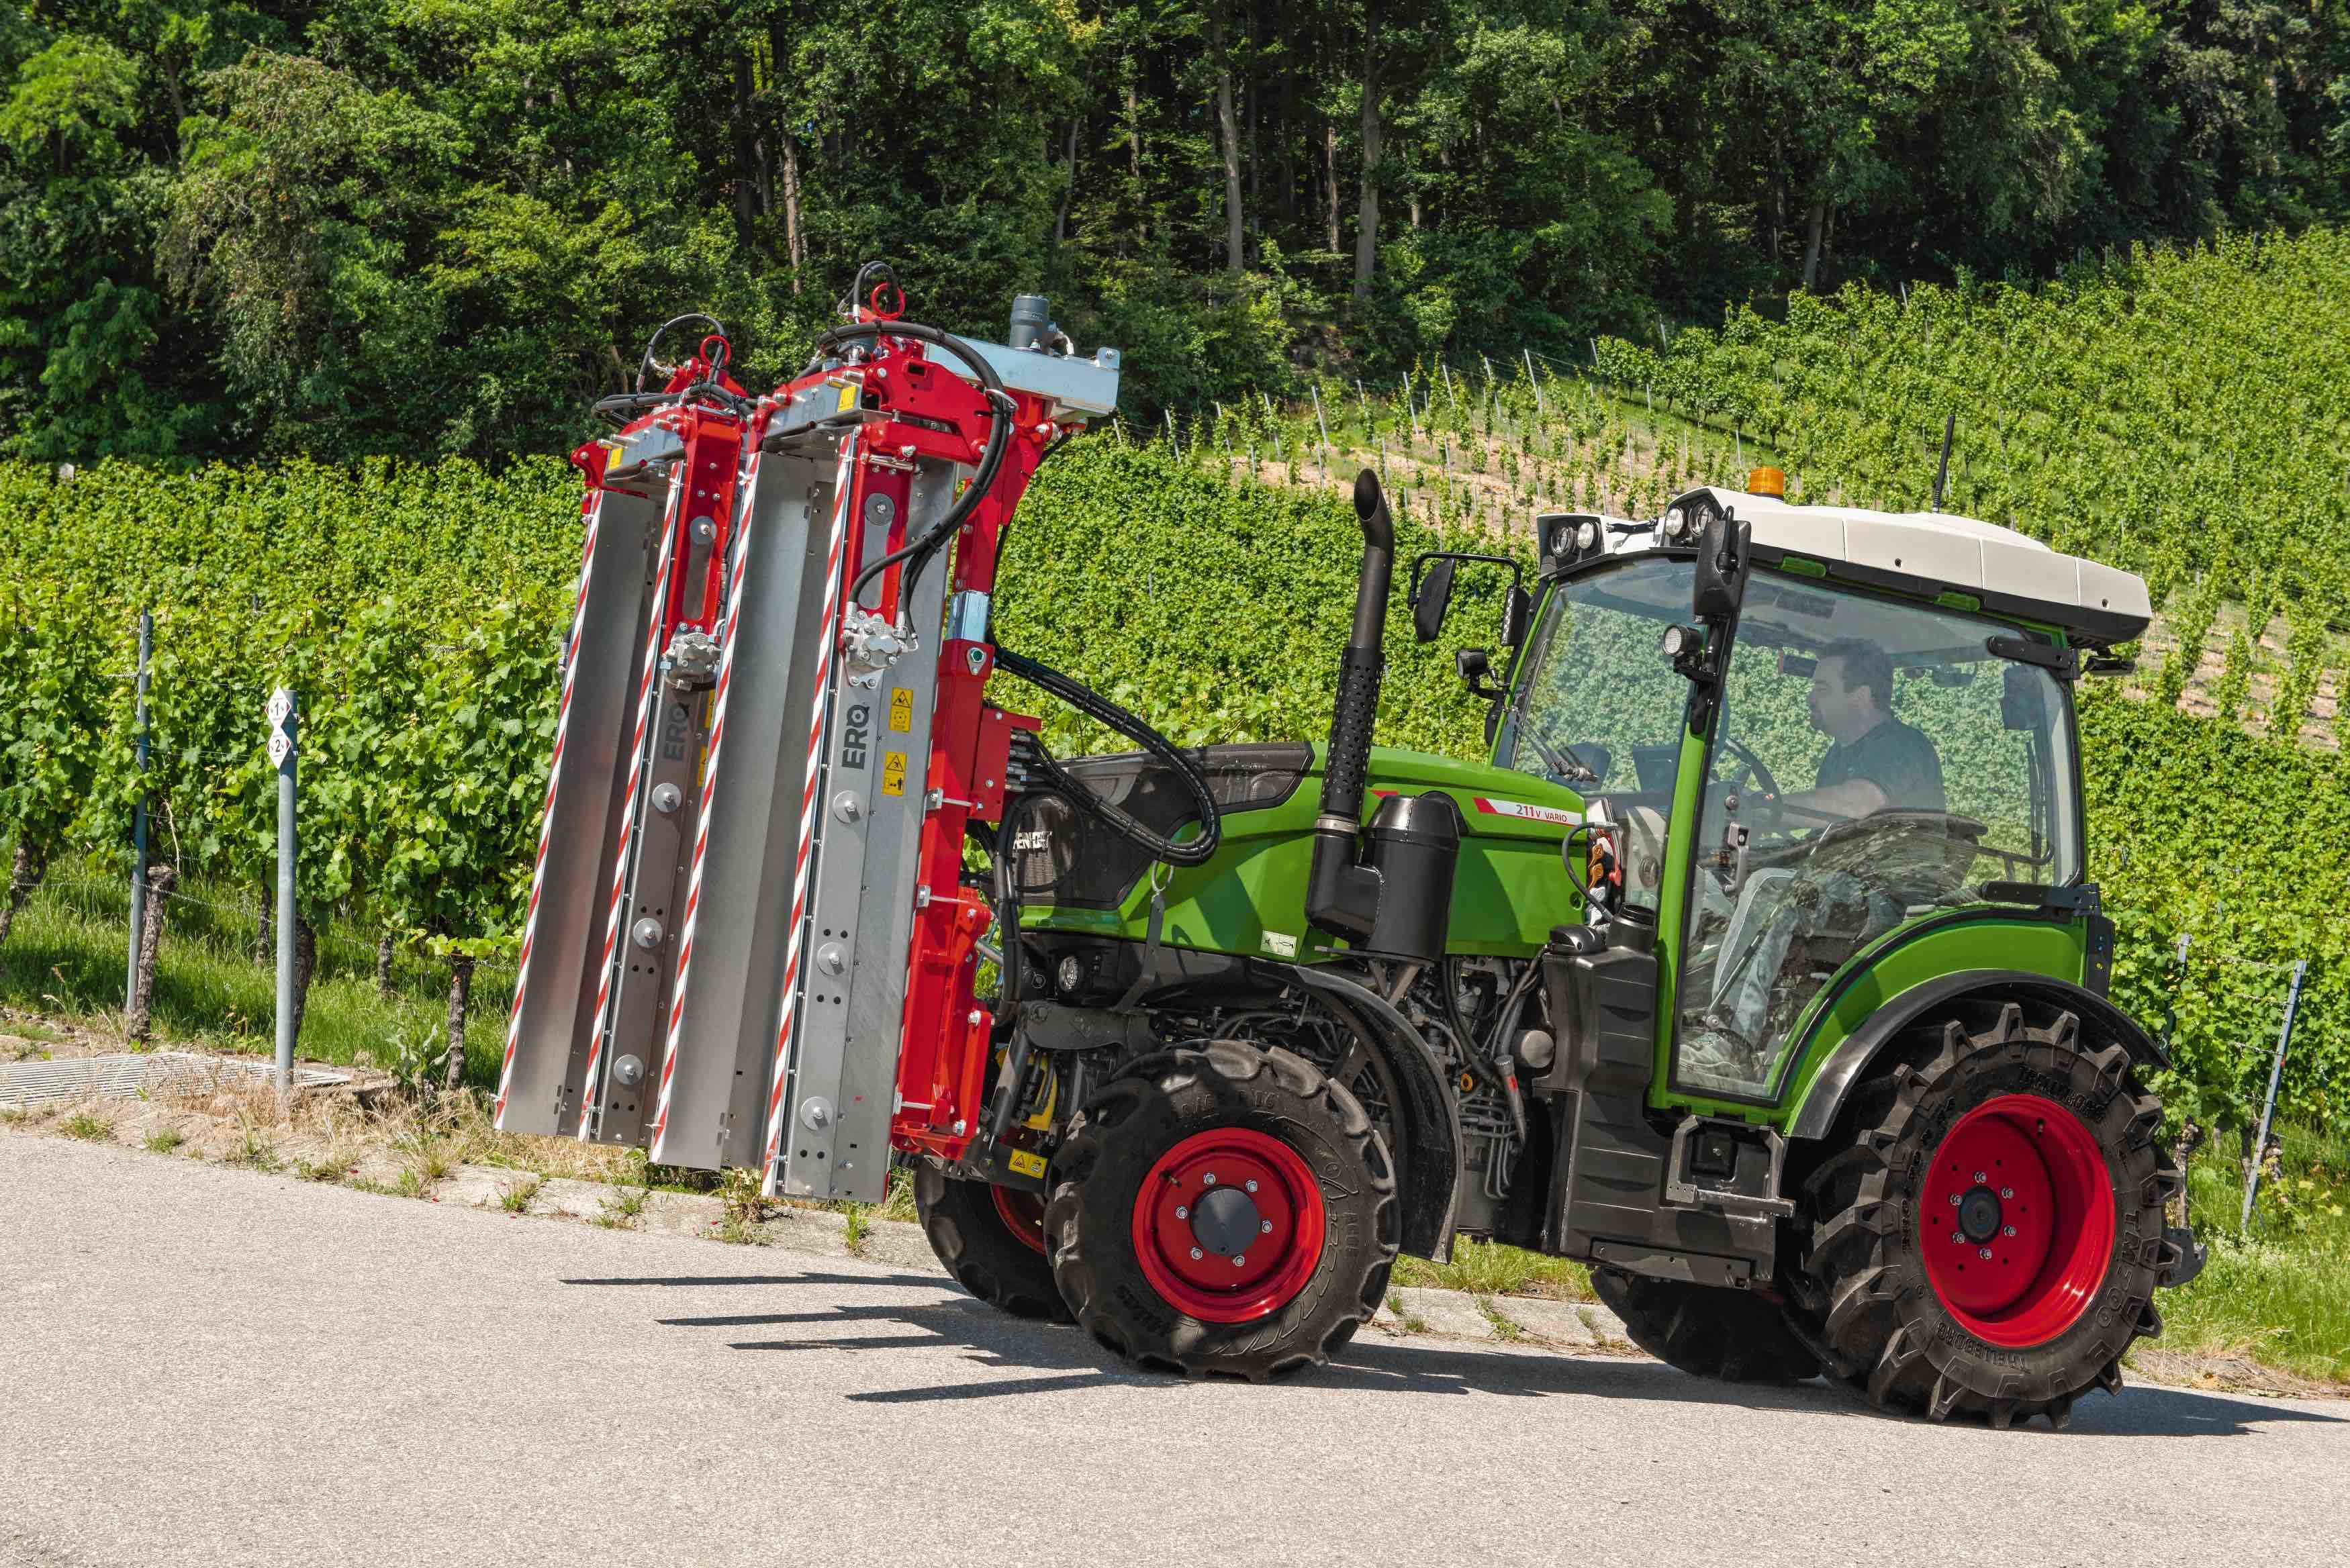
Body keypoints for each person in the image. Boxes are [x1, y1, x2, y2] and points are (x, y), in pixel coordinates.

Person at [1682, 638, 1946, 1093]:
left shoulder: (1903, 747)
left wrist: (1771, 809)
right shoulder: (1839, 753)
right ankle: (1690, 1019)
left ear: (1860, 697)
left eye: (1822, 687)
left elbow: (1857, 802)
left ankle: (1730, 1044)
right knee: (1715, 877)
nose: (1810, 697)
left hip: (1888, 894)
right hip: (1843, 880)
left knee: (1769, 888)